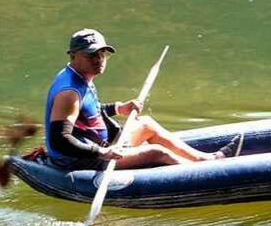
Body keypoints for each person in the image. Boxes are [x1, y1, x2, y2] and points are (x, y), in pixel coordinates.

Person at [44, 28, 243, 170]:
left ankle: (205, 159)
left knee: (146, 123)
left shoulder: (81, 76)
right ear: (73, 56)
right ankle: (206, 173)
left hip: (102, 145)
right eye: (91, 55)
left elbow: (88, 113)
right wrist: (100, 152)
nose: (99, 60)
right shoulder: (69, 92)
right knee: (157, 152)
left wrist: (118, 108)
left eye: (102, 54)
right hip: (79, 159)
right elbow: (60, 140)